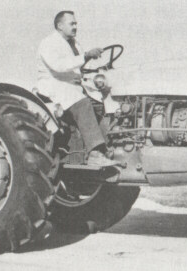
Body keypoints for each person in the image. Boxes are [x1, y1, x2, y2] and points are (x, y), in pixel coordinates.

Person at [37, 10, 116, 166]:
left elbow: (79, 66)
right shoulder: (49, 43)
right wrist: (86, 56)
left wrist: (95, 63)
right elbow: (59, 66)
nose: (75, 26)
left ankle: (105, 148)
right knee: (83, 104)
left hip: (71, 87)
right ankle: (94, 153)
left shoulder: (74, 44)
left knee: (100, 105)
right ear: (60, 25)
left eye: (76, 23)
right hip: (55, 87)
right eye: (71, 23)